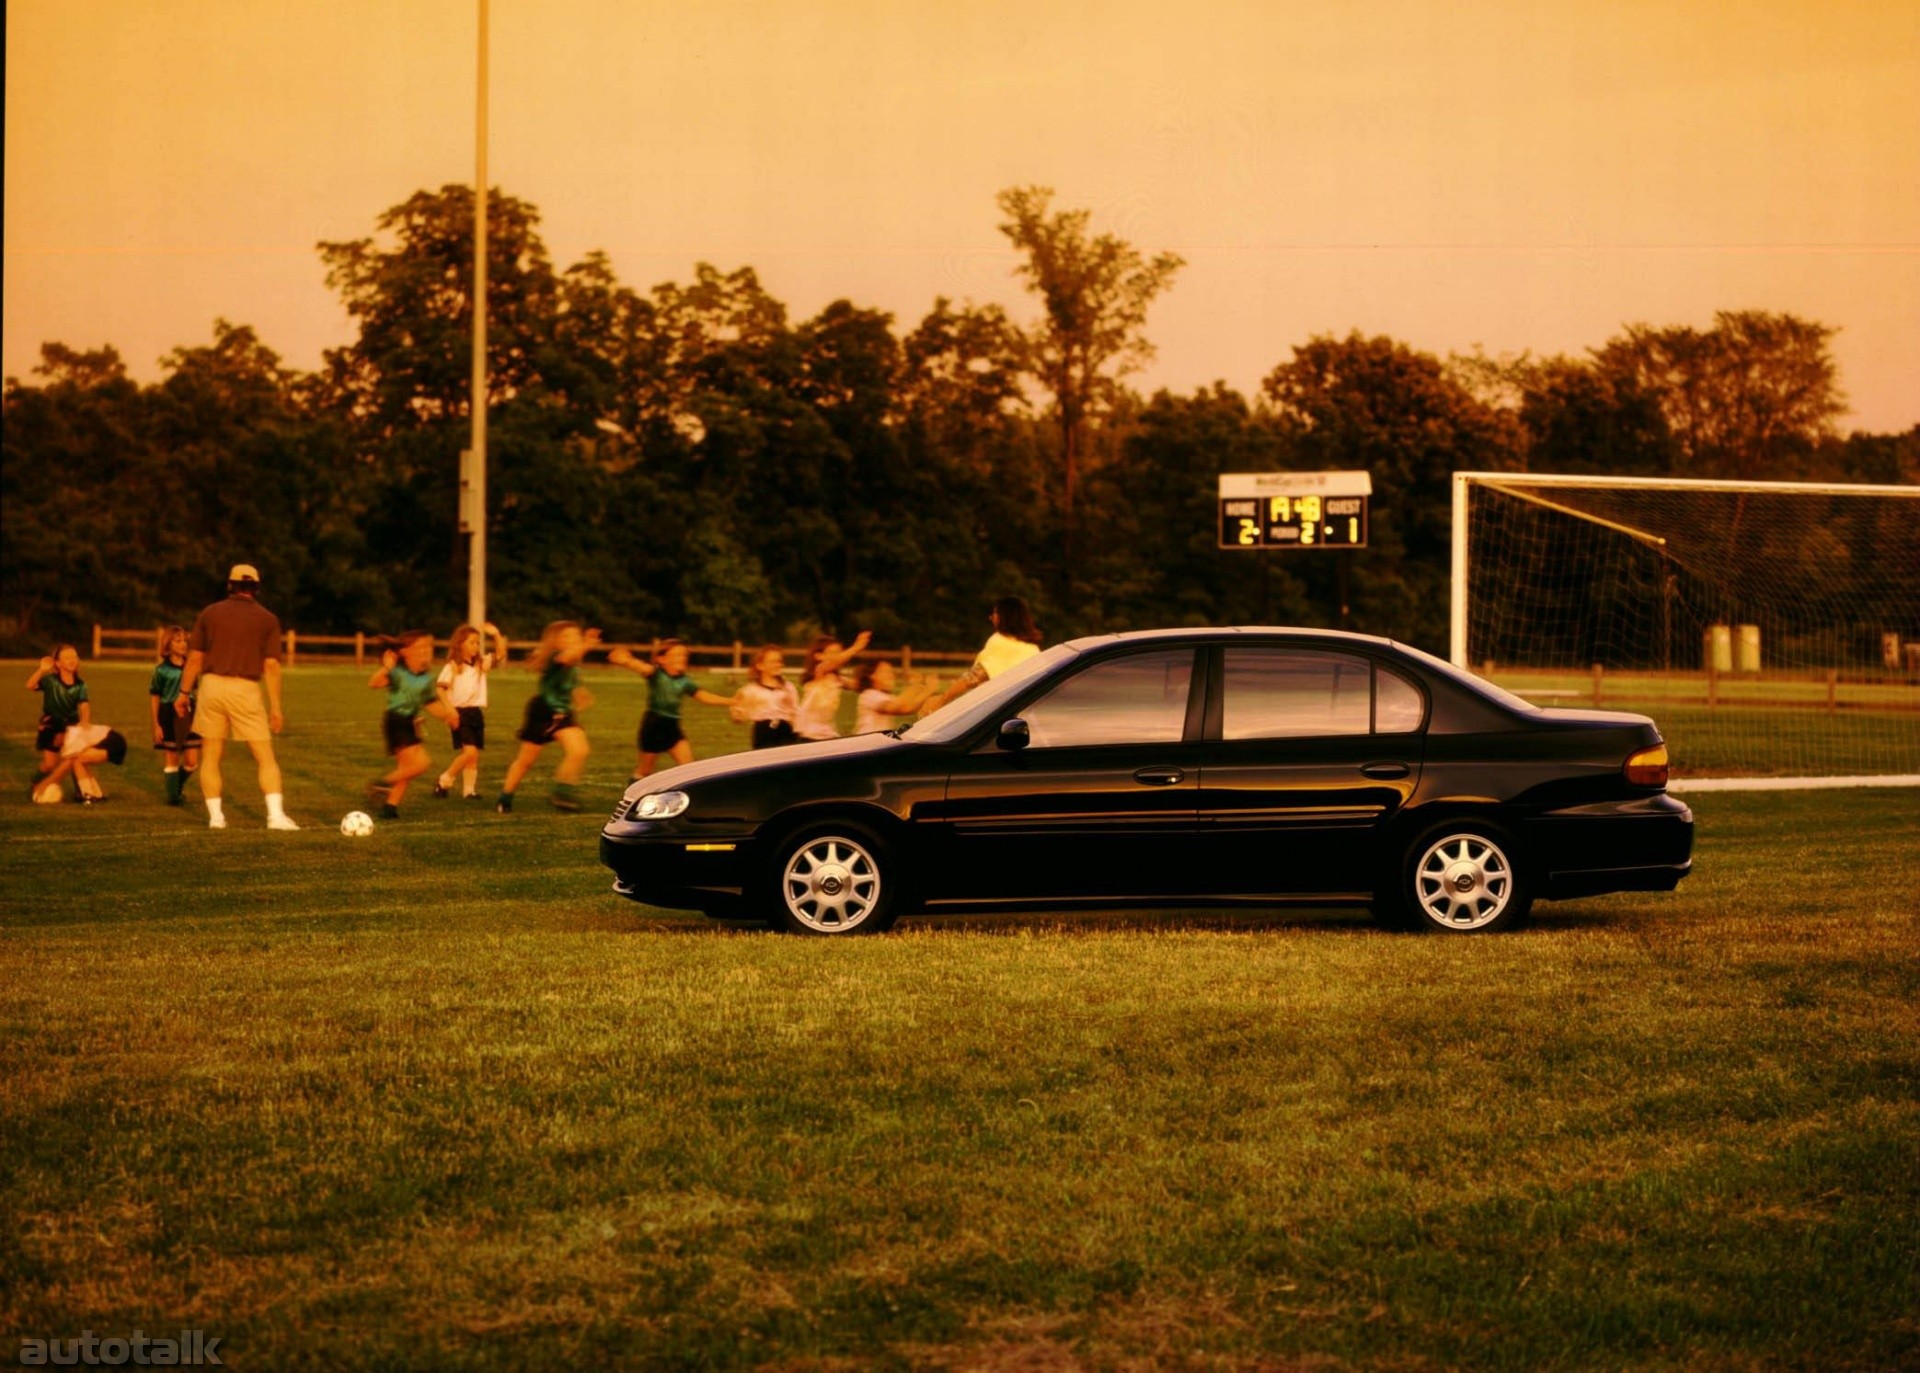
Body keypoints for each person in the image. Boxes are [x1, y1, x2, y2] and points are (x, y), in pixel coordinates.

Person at [176, 563, 298, 830]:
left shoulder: (210, 613)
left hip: (211, 687)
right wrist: (276, 707)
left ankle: (216, 818)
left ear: (230, 585)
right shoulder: (268, 619)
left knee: (211, 756)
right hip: (245, 689)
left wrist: (183, 693)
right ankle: (275, 816)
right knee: (264, 756)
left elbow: (195, 659)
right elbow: (271, 666)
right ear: (256, 588)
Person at [496, 621, 599, 813]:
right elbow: (567, 658)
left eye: (575, 636)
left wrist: (580, 694)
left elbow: (572, 683)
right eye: (567, 636)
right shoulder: (555, 657)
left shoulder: (573, 665)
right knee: (526, 760)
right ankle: (505, 797)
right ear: (556, 641)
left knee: (579, 749)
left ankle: (561, 793)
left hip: (563, 714)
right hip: (542, 711)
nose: (573, 640)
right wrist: (586, 645)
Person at [607, 638, 736, 779]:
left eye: (684, 655)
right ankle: (632, 792)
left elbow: (703, 696)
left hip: (673, 727)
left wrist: (731, 701)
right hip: (654, 726)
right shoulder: (656, 674)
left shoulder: (684, 681)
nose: (682, 658)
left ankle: (689, 792)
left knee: (688, 766)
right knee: (644, 771)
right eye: (677, 655)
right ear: (661, 659)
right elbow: (641, 667)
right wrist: (626, 661)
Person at [367, 631, 458, 819]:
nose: (427, 650)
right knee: (421, 764)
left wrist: (447, 716)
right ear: (405, 652)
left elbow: (430, 703)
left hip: (410, 722)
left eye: (429, 646)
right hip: (396, 722)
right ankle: (381, 783)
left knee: (406, 768)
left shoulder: (425, 677)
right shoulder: (398, 672)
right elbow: (373, 683)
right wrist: (386, 668)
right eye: (421, 647)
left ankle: (390, 808)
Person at [25, 646, 121, 803]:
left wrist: (84, 722)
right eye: (67, 657)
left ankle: (81, 792)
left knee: (74, 757)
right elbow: (30, 685)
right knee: (49, 764)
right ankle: (35, 782)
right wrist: (41, 670)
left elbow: (84, 706)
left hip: (71, 726)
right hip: (51, 725)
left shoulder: (80, 685)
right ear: (58, 663)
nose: (72, 660)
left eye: (74, 657)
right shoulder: (50, 680)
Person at [433, 621, 507, 799]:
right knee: (470, 752)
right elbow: (440, 689)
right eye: (471, 642)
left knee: (473, 756)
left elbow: (501, 654)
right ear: (460, 644)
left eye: (477, 643)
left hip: (475, 713)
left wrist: (496, 634)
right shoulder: (452, 666)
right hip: (459, 713)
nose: (475, 646)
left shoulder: (481, 664)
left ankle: (469, 791)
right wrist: (450, 710)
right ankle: (444, 780)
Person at [935, 596, 1043, 707]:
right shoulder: (1033, 649)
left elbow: (974, 676)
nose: (991, 617)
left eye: (995, 613)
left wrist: (942, 699)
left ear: (1005, 617)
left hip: (996, 708)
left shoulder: (1000, 641)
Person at [149, 625, 201, 806]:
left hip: (190, 714)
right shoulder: (161, 670)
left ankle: (175, 786)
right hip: (168, 715)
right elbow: (155, 697)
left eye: (185, 640)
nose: (183, 644)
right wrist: (156, 725)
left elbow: (196, 692)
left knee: (192, 761)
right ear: (167, 644)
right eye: (178, 641)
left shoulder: (191, 667)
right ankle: (173, 797)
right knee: (171, 757)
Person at [794, 630, 873, 742]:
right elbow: (833, 663)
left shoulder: (836, 679)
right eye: (832, 653)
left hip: (826, 733)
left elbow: (859, 686)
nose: (837, 656)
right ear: (818, 656)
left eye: (839, 652)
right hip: (808, 734)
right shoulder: (819, 672)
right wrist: (856, 647)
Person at [730, 644, 800, 749]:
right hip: (763, 732)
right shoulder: (751, 690)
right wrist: (738, 713)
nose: (778, 665)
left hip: (785, 731)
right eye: (773, 662)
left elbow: (795, 712)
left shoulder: (788, 687)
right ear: (760, 666)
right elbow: (738, 715)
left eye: (779, 661)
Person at [853, 660, 943, 735]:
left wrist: (919, 687)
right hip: (867, 745)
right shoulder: (869, 695)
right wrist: (925, 689)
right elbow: (902, 707)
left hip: (876, 744)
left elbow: (908, 706)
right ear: (872, 676)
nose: (891, 676)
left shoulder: (884, 696)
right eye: (886, 672)